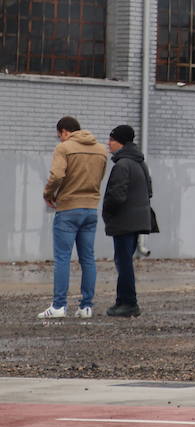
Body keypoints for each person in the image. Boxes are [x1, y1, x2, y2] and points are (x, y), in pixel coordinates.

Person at [39, 116, 108, 319]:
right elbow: (100, 176)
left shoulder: (64, 148)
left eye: (59, 135)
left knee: (62, 258)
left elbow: (58, 175)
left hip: (68, 209)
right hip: (91, 209)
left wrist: (48, 194)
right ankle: (86, 307)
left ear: (64, 132)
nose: (60, 139)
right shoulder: (101, 149)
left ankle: (59, 306)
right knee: (87, 259)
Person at [102, 124, 154, 318]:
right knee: (124, 261)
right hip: (137, 220)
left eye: (111, 140)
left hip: (125, 221)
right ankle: (122, 301)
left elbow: (116, 196)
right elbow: (149, 191)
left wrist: (107, 212)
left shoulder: (123, 165)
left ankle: (129, 303)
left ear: (121, 143)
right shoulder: (140, 162)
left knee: (123, 263)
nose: (108, 144)